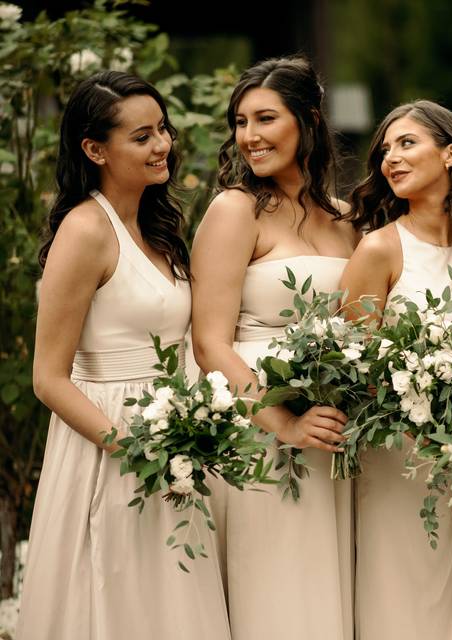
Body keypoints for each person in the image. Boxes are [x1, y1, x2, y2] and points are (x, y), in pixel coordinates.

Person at [16, 71, 229, 640]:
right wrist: (136, 449)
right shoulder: (85, 231)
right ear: (95, 149)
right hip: (110, 445)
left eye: (163, 130)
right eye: (141, 136)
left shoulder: (158, 227)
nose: (162, 145)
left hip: (172, 439)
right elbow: (48, 378)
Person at [189, 56, 359, 640]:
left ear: (309, 120)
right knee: (276, 589)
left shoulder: (346, 219)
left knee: (324, 583)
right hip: (257, 427)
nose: (249, 136)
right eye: (240, 122)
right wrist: (282, 423)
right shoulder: (235, 210)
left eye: (265, 118)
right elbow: (209, 342)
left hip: (332, 426)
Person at [339, 100, 452, 640]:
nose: (390, 158)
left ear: (451, 153)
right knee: (408, 600)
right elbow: (353, 365)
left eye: (406, 143)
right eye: (385, 149)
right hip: (400, 457)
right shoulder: (380, 249)